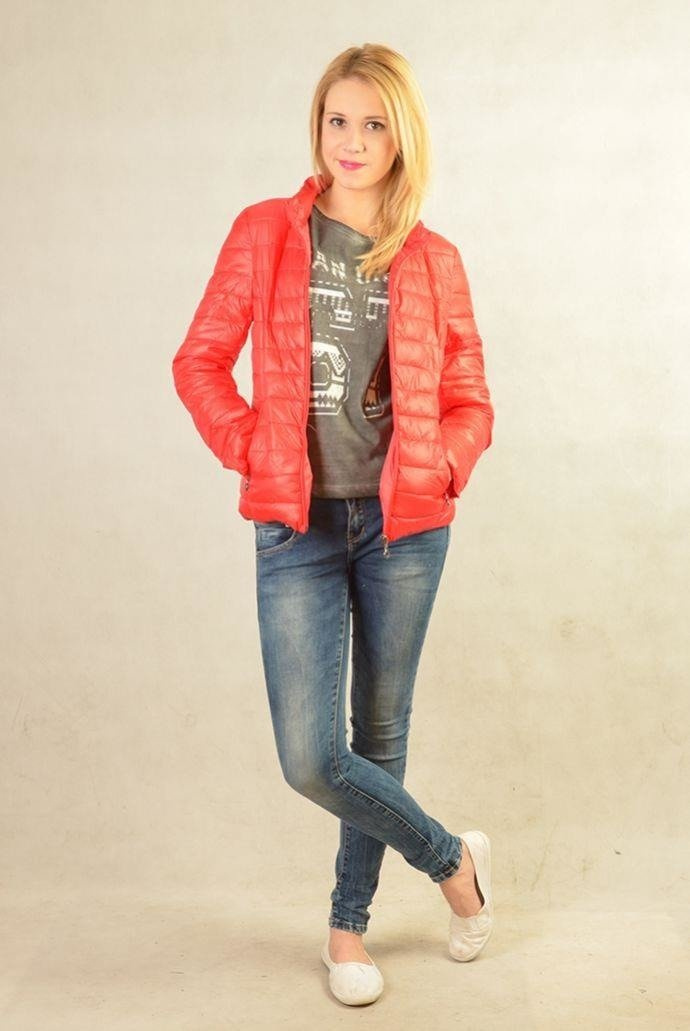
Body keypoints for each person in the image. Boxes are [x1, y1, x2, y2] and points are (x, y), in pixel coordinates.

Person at [172, 43, 495, 1007]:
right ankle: (452, 862)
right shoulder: (266, 233)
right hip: (297, 529)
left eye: (373, 123)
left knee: (380, 730)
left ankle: (347, 929)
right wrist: (253, 448)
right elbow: (198, 360)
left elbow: (472, 397)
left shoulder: (433, 259)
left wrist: (443, 465)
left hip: (404, 529)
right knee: (313, 756)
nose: (351, 141)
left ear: (402, 138)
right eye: (336, 120)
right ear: (317, 127)